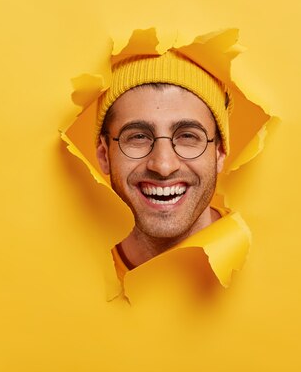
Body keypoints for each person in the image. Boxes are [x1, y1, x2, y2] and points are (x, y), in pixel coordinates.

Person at [94, 51, 232, 277]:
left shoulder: (276, 272)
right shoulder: (63, 275)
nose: (163, 165)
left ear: (219, 152)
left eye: (188, 136)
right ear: (104, 155)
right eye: (138, 136)